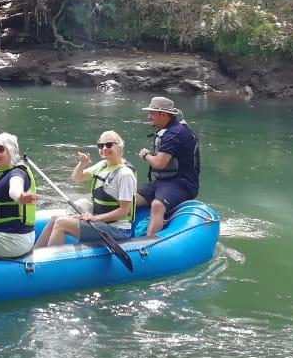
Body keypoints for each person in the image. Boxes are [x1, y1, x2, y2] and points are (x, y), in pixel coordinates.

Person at [33, 131, 137, 249]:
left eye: (109, 145)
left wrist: (94, 218)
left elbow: (123, 211)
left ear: (119, 146)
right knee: (54, 219)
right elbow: (76, 178)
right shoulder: (103, 165)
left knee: (61, 224)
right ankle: (35, 256)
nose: (104, 148)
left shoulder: (125, 175)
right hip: (100, 222)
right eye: (100, 145)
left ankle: (50, 264)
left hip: (118, 230)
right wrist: (82, 163)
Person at [133, 95, 200, 237]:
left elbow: (159, 163)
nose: (148, 116)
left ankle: (148, 244)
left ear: (163, 114)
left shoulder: (175, 133)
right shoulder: (168, 130)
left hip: (182, 183)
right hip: (162, 182)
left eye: (152, 113)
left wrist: (145, 155)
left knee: (157, 205)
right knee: (130, 198)